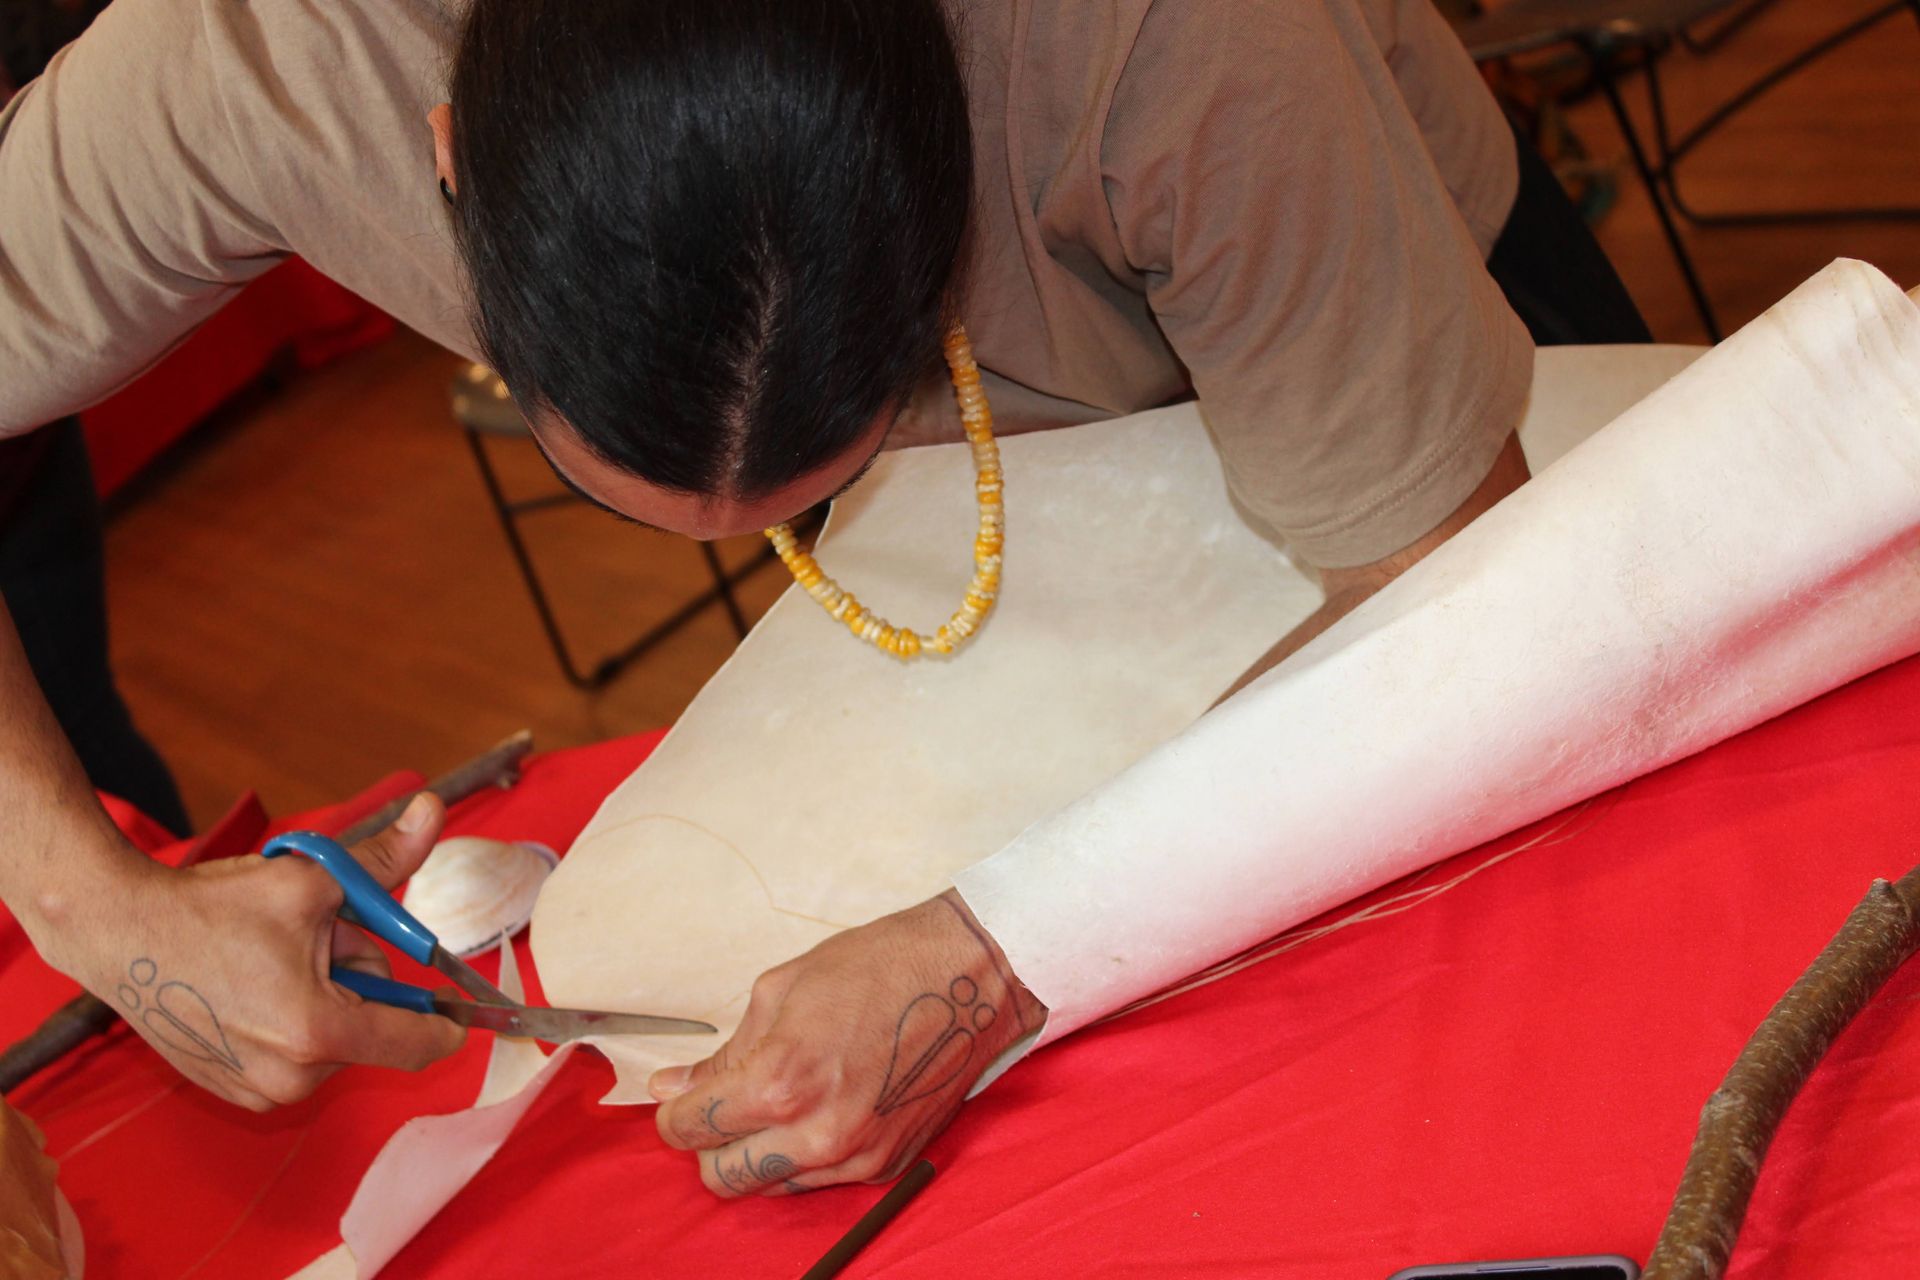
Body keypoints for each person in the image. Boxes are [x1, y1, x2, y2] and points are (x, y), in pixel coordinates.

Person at [0, 0, 1650, 1194]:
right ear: (444, 161)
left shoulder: (1170, 40)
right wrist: (91, 904)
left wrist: (1000, 947)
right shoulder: (254, 57)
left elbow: (1457, 606)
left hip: (1403, 348)